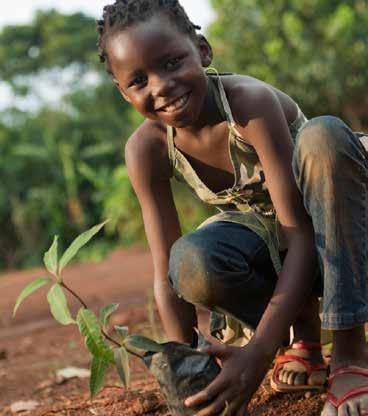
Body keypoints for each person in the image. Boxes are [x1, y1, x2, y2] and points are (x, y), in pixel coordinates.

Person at [96, 1, 368, 415]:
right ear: (121, 90)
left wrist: (257, 354)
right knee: (189, 261)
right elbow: (165, 277)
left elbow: (299, 232)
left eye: (171, 62)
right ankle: (304, 340)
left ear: (202, 51)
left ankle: (350, 350)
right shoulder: (145, 149)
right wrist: (187, 377)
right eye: (138, 80)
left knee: (323, 137)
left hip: (347, 223)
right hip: (289, 242)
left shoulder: (247, 104)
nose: (162, 85)